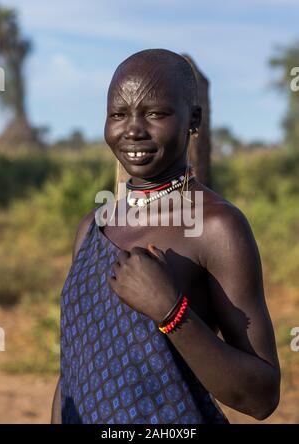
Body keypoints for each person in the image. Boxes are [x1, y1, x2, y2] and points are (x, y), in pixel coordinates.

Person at [51, 49, 280, 424]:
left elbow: (262, 397)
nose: (133, 129)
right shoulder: (93, 227)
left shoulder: (217, 227)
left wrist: (170, 311)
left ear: (194, 120)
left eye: (155, 113)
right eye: (118, 114)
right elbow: (75, 373)